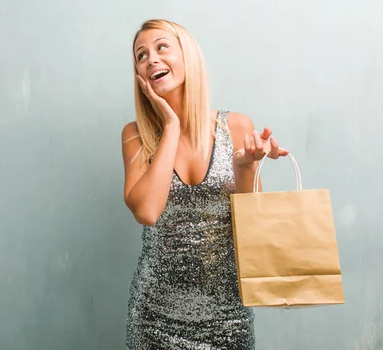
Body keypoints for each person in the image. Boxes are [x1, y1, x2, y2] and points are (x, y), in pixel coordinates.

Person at [121, 19, 289, 349]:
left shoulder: (236, 126)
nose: (151, 58)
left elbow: (254, 229)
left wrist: (246, 166)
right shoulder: (135, 135)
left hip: (228, 319)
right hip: (154, 319)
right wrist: (170, 126)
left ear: (188, 55)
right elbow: (147, 211)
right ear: (140, 76)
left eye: (162, 47)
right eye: (141, 55)